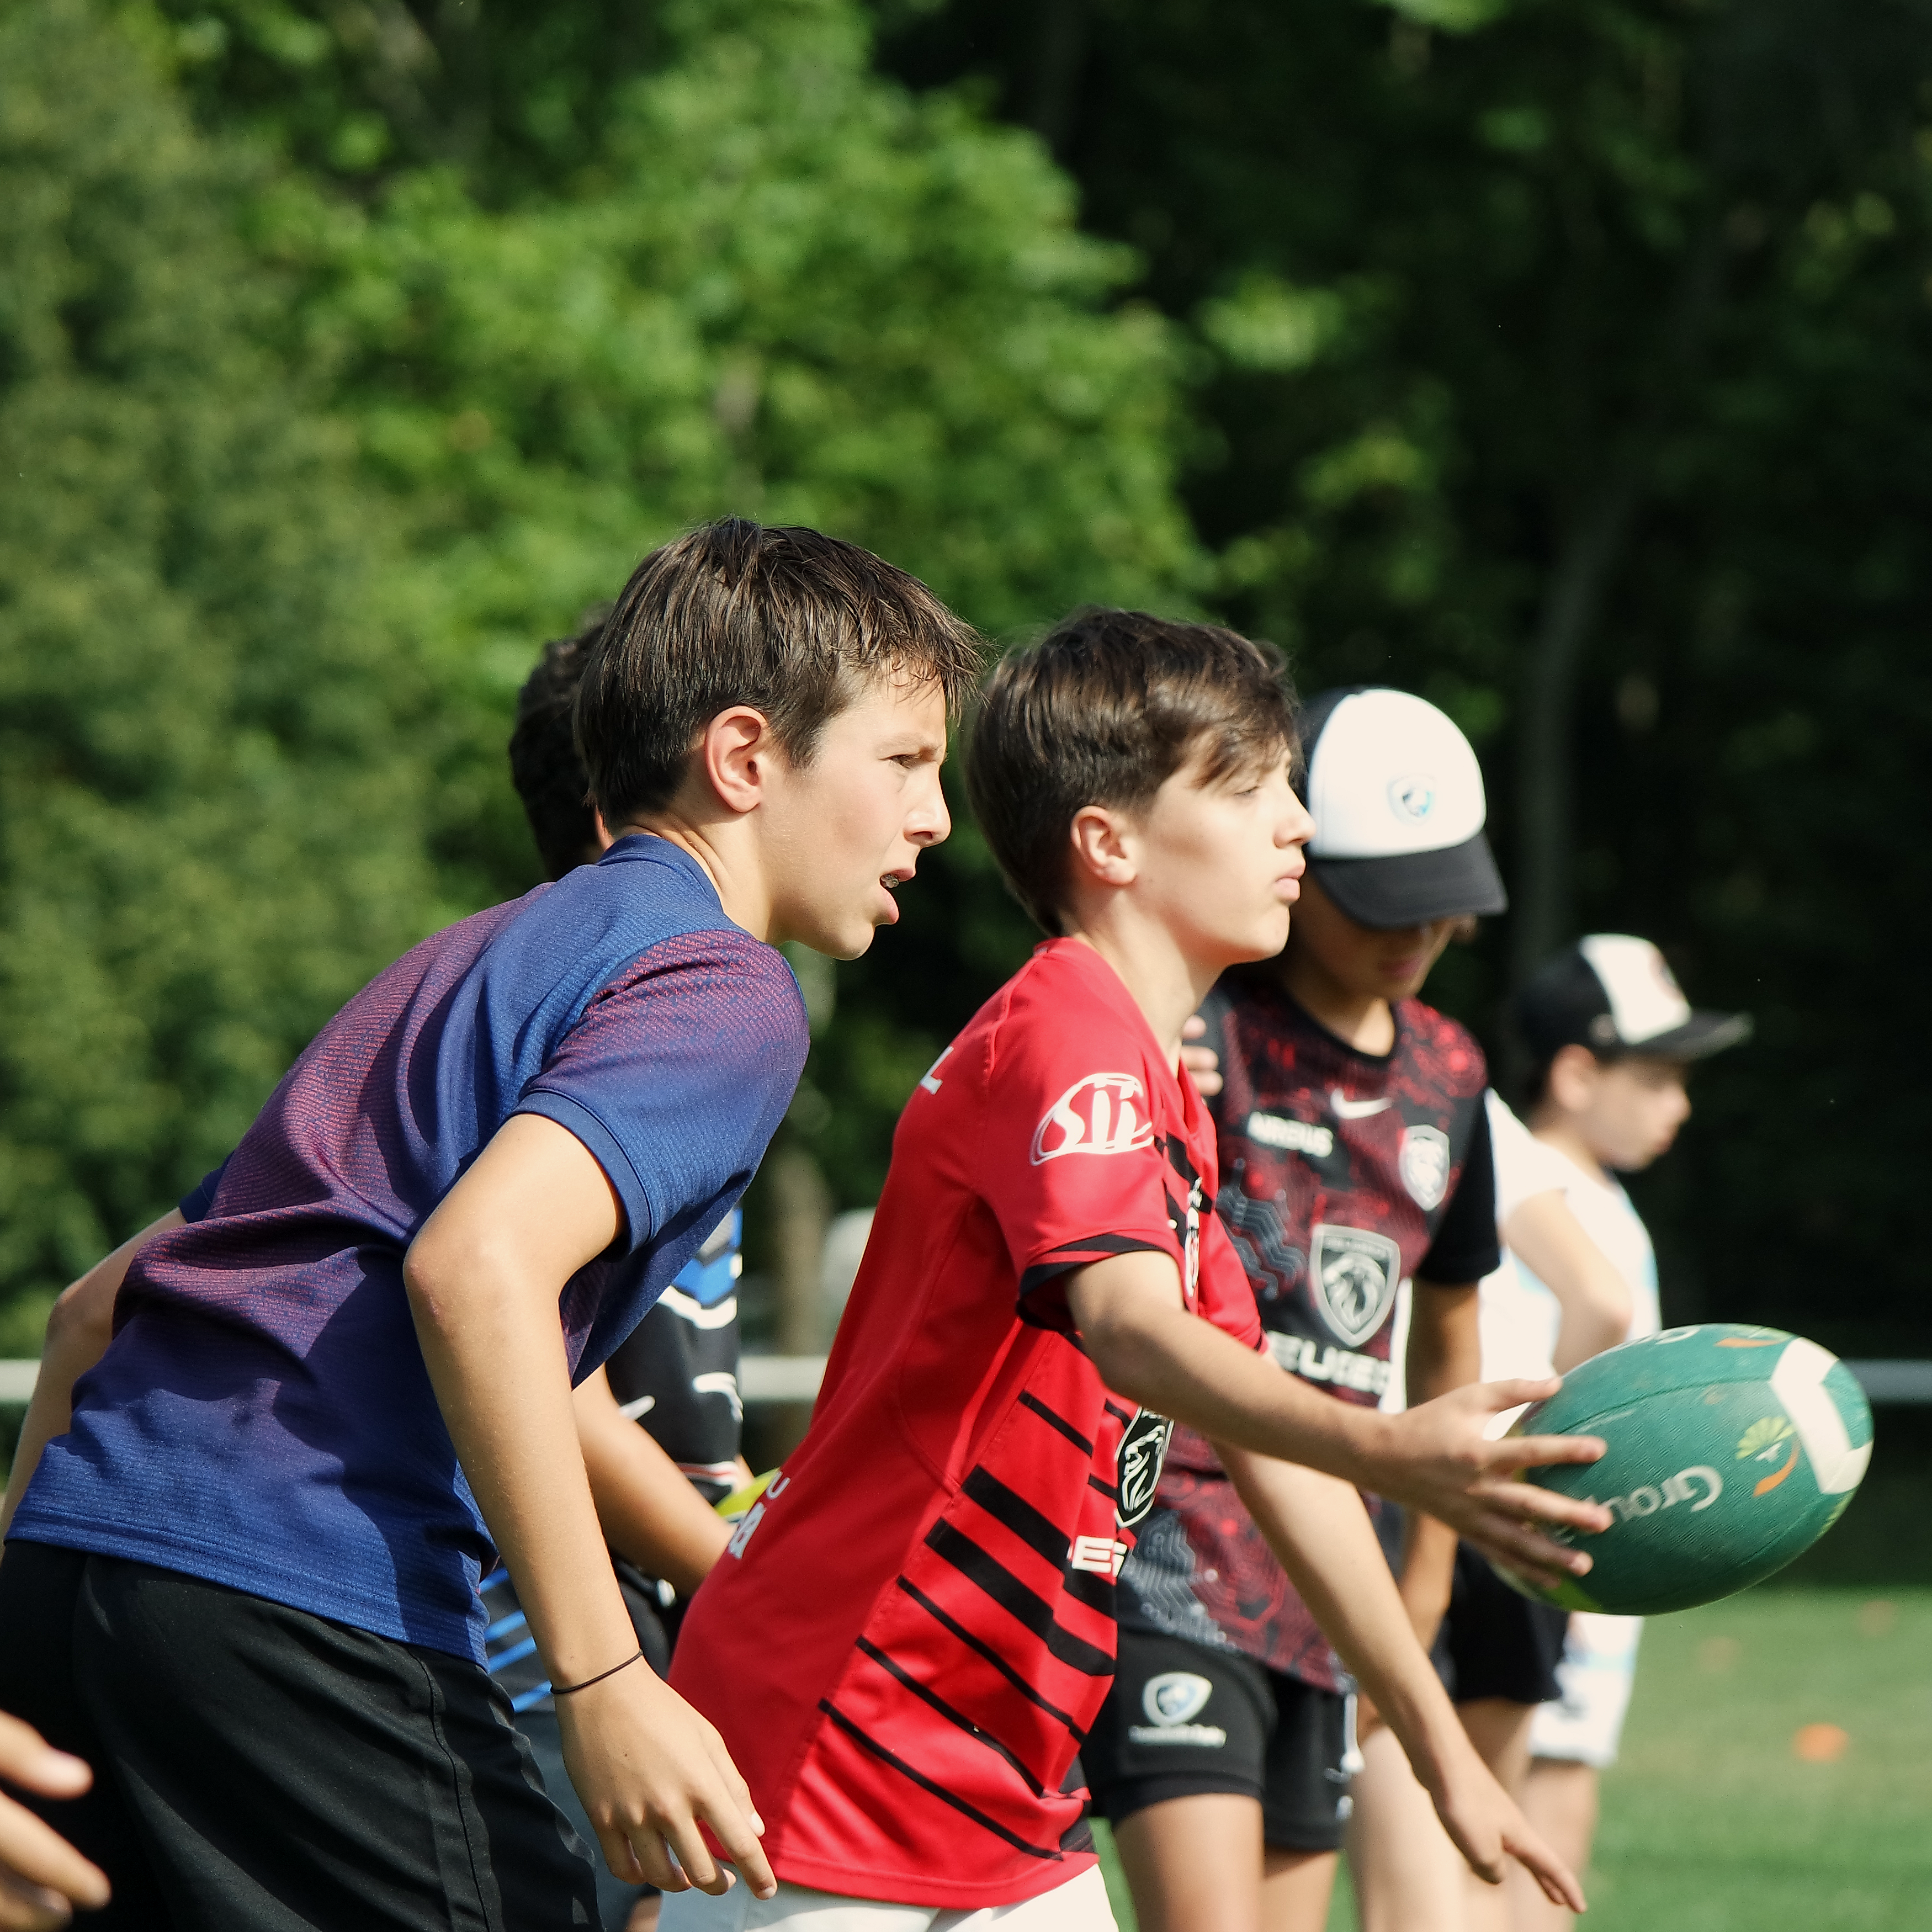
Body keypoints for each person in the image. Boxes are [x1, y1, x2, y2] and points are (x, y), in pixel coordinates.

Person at [0, 519, 981, 1930]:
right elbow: (478, 1266)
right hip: (304, 1595)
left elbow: (93, 1310)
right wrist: (603, 1683)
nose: (935, 814)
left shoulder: (465, 959)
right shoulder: (722, 987)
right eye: (903, 761)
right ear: (747, 758)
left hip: (83, 1556)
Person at [662, 615, 1607, 1930]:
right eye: (1250, 789)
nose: (1298, 827)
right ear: (1108, 844)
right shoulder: (1070, 1038)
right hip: (838, 1760)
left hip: (1006, 1785)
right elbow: (1126, 1325)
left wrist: (1441, 1750)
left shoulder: (1161, 1084)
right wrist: (1392, 1446)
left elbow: (1265, 1441)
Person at [1081, 684, 1576, 1932]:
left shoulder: (1451, 1076)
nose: (1415, 936)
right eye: (1380, 904)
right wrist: (1154, 1058)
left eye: (1439, 901)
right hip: (1170, 1547)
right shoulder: (1200, 1030)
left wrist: (1418, 1585)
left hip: (1334, 1563)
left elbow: (1448, 1334)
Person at [1502, 936, 1749, 1932]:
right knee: (1520, 1800)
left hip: (1588, 1535)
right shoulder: (1525, 1183)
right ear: (1574, 1071)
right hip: (1541, 1533)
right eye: (1656, 1078)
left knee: (1560, 1792)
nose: (1678, 1106)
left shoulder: (1604, 1202)